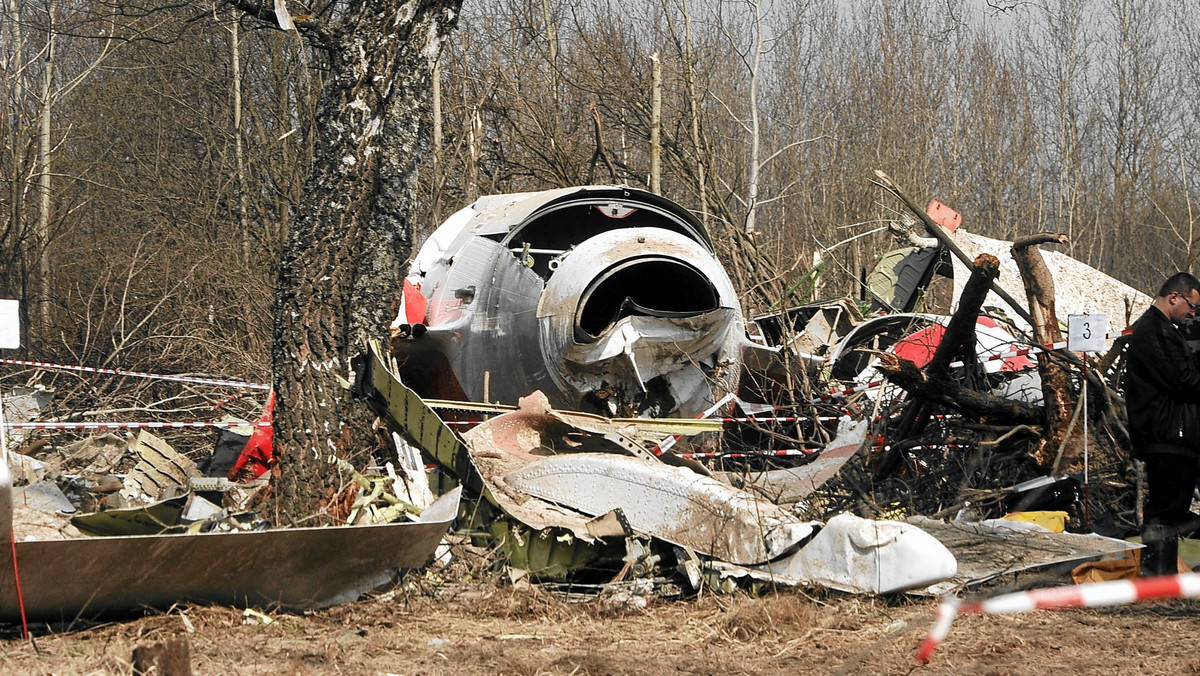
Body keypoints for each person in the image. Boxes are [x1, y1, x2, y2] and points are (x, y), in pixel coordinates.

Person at [1126, 272, 1200, 576]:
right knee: (1165, 511)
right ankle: (1156, 577)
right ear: (1175, 297)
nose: (1192, 315)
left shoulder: (1163, 330)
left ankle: (1163, 576)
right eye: (1192, 307)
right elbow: (1184, 381)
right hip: (1167, 434)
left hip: (1174, 434)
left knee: (1172, 510)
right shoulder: (1154, 331)